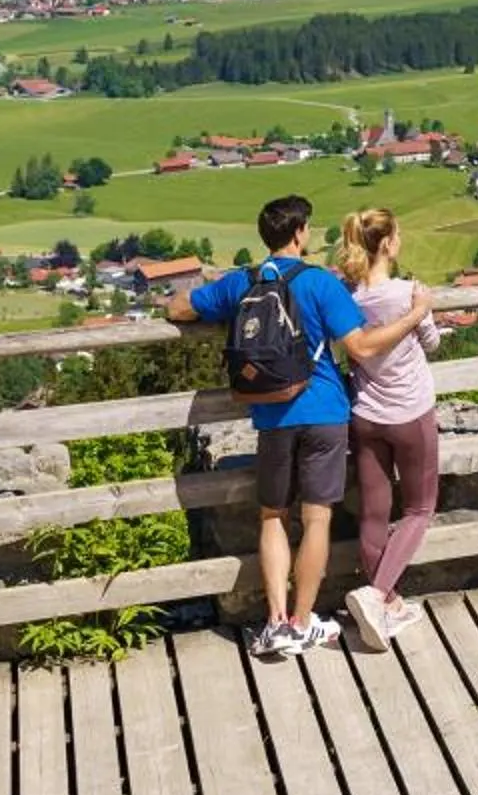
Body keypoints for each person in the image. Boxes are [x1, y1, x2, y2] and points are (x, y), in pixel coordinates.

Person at [168, 194, 430, 658]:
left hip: (271, 416)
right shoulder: (319, 284)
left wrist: (183, 300)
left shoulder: (242, 283)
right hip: (325, 412)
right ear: (298, 234)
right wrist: (413, 315)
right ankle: (303, 621)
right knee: (316, 519)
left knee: (272, 515)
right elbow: (362, 347)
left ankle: (274, 623)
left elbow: (181, 309)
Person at [334, 207, 443, 651]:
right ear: (388, 243)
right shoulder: (408, 295)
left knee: (374, 512)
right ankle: (378, 595)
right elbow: (431, 343)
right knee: (419, 509)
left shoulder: (346, 297)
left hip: (366, 415)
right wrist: (422, 311)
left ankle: (390, 604)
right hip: (411, 413)